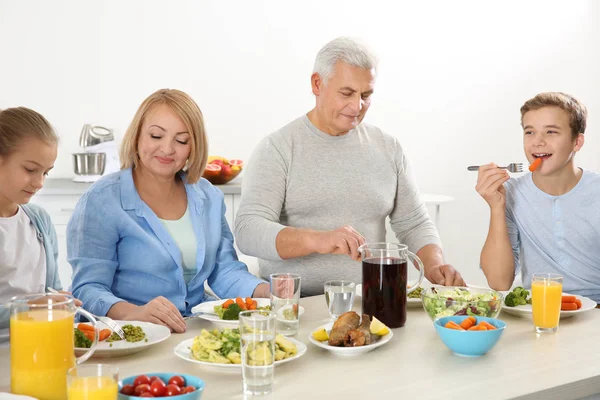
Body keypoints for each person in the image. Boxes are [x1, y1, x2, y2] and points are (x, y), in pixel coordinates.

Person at [234, 37, 465, 296]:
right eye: (346, 93)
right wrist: (318, 239)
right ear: (317, 84)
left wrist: (435, 265)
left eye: (366, 95)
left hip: (373, 302)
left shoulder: (389, 148)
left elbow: (414, 223)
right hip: (297, 307)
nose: (357, 106)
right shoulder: (277, 149)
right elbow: (248, 231)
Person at [67, 89, 269, 333]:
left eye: (181, 140)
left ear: (193, 147)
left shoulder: (208, 196)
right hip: (128, 333)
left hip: (193, 330)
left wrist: (270, 292)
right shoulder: (102, 200)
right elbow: (87, 288)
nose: (167, 149)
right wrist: (136, 313)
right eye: (156, 136)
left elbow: (224, 271)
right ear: (137, 137)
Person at [476, 92, 600, 303]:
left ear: (577, 142)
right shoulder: (511, 192)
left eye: (551, 132)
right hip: (538, 311)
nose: (537, 142)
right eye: (530, 132)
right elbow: (499, 282)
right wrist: (496, 207)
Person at [0, 107, 80, 332]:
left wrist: (61, 303)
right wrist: (30, 307)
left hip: (40, 342)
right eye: (30, 169)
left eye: (46, 172)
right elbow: (36, 305)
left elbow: (51, 290)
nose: (39, 182)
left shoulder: (39, 221)